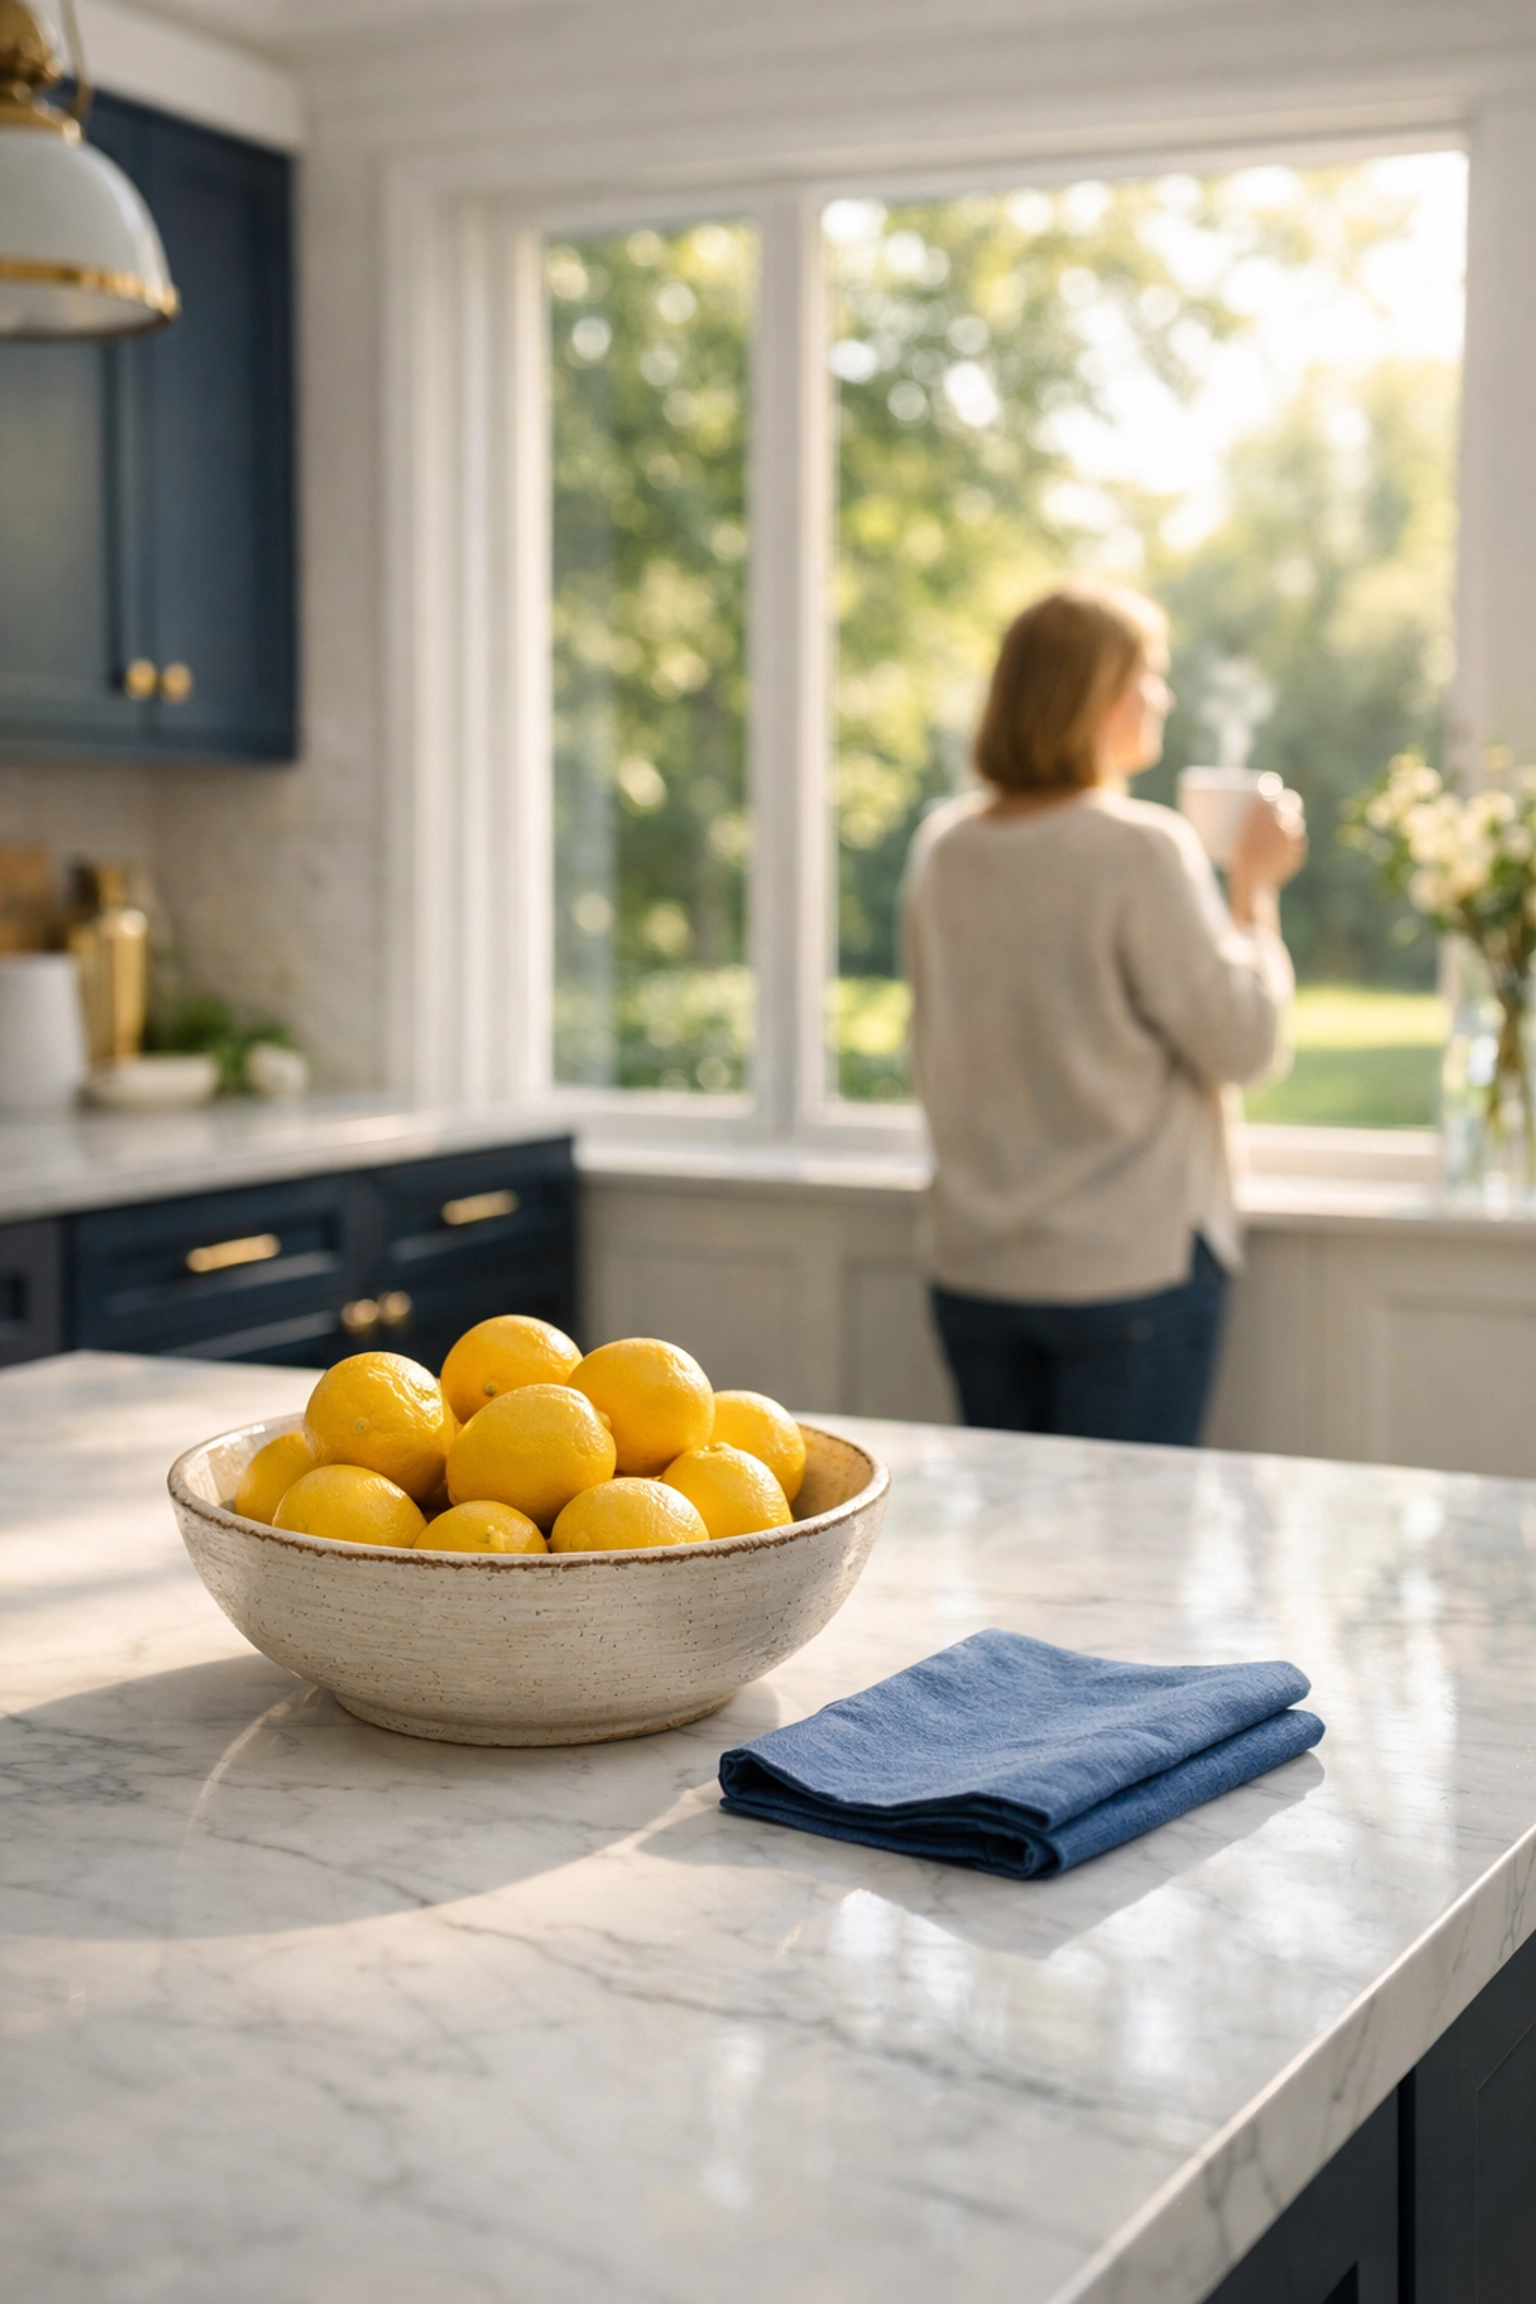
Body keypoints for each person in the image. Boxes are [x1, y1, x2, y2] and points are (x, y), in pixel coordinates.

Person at [904, 579, 1306, 1446]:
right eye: (1147, 675)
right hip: (1130, 1275)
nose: (1160, 695)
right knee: (1128, 1566)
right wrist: (1255, 888)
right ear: (1093, 695)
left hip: (975, 1271)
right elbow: (1245, 1043)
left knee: (1012, 1562)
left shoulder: (945, 849)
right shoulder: (1139, 848)